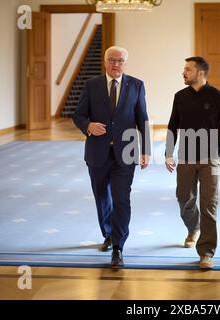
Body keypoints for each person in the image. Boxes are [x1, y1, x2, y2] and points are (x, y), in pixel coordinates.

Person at [73, 46, 150, 268]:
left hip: (125, 153)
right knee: (102, 197)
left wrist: (145, 150)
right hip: (97, 152)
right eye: (112, 60)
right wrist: (88, 125)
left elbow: (141, 119)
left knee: (122, 199)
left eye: (120, 61)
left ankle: (118, 246)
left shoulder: (136, 85)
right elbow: (78, 115)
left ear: (126, 63)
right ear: (105, 62)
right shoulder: (92, 85)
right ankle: (107, 233)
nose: (116, 64)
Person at [165, 56, 220, 269]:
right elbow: (172, 125)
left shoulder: (218, 97)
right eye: (184, 69)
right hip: (185, 155)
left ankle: (206, 252)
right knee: (183, 197)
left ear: (200, 73)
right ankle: (193, 227)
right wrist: (169, 153)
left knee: (208, 204)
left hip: (210, 157)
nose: (183, 73)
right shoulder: (180, 97)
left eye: (187, 69)